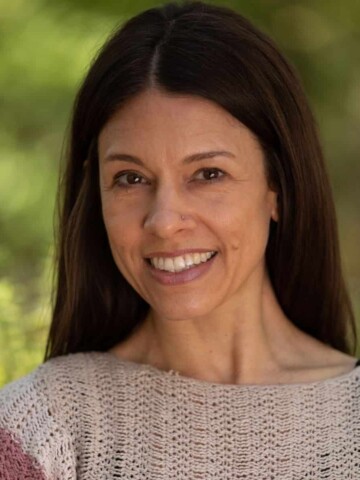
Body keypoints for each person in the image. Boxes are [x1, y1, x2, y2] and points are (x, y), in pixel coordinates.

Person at [0, 1, 359, 477]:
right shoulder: (42, 430)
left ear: (278, 189)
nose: (165, 221)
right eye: (130, 178)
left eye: (208, 174)